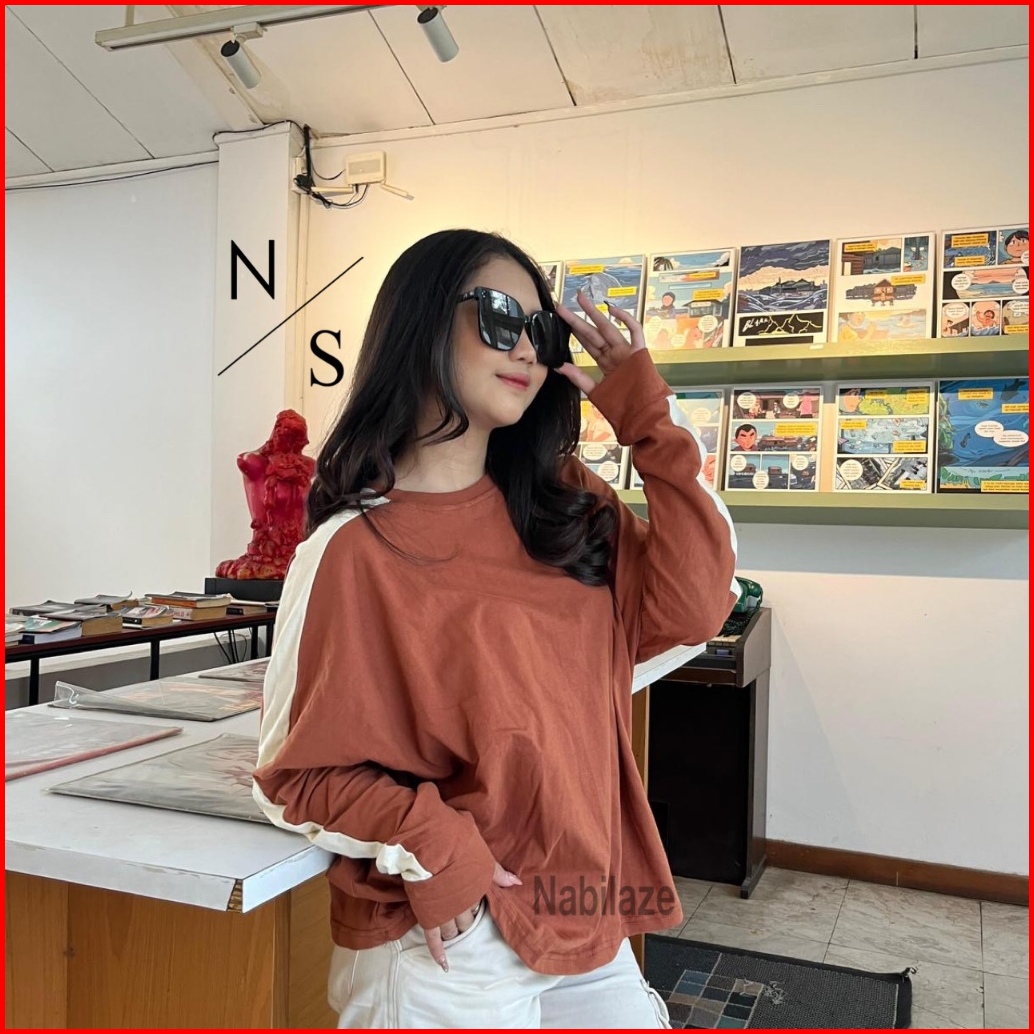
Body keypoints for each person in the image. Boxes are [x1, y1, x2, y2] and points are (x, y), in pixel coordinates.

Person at [251, 229, 739, 1029]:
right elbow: (295, 774)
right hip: (452, 938)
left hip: (584, 909)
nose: (527, 349)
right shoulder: (351, 549)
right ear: (419, 320)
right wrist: (438, 846)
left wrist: (649, 419)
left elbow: (697, 604)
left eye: (539, 330)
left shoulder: (567, 508)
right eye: (498, 316)